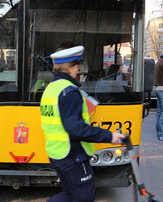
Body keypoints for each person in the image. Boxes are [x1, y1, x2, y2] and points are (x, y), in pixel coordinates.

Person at [40, 44, 124, 202]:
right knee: (84, 197)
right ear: (70, 67)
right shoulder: (69, 91)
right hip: (72, 154)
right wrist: (109, 136)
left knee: (71, 194)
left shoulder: (51, 88)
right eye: (77, 65)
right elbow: (75, 128)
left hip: (57, 153)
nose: (79, 69)